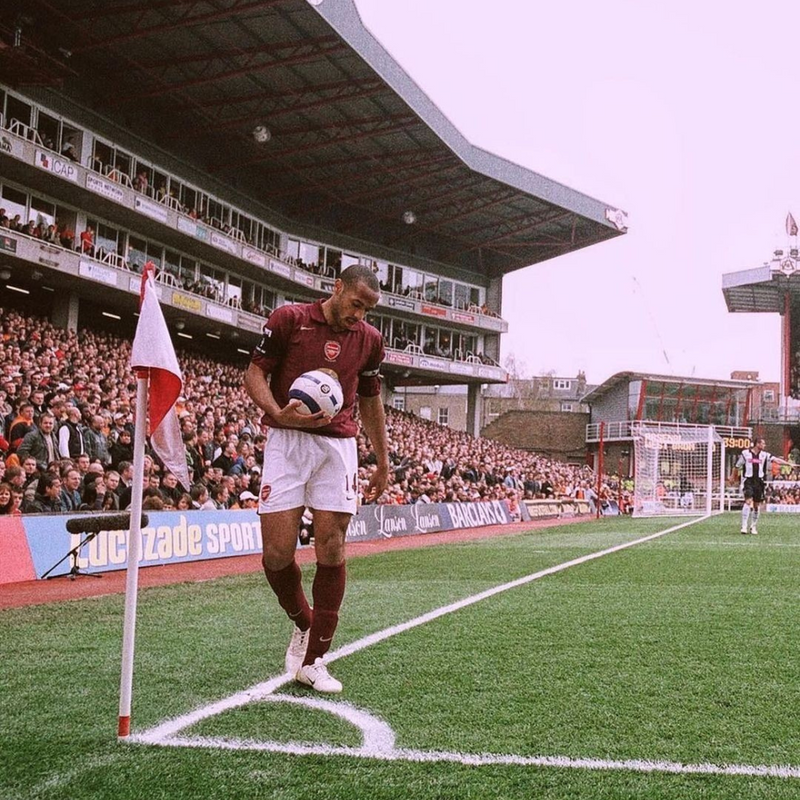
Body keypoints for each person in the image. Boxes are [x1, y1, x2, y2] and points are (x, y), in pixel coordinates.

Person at [244, 264, 389, 694]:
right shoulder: (290, 319)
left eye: (368, 309)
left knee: (331, 544)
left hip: (337, 446)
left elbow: (370, 400)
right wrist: (276, 412)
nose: (360, 314)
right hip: (287, 440)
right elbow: (254, 373)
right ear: (337, 288)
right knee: (276, 553)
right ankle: (304, 622)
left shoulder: (369, 341)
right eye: (356, 303)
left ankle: (316, 658)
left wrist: (382, 460)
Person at [733, 437, 796, 535]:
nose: (764, 445)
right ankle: (744, 526)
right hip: (748, 481)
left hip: (759, 482)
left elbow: (776, 460)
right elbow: (737, 466)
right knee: (748, 501)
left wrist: (787, 464)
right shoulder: (745, 454)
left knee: (756, 505)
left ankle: (753, 526)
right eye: (763, 443)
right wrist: (734, 477)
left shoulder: (764, 455)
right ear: (757, 444)